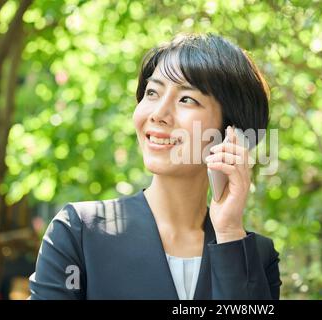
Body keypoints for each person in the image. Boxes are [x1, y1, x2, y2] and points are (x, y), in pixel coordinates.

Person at [29, 33, 281, 300]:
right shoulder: (78, 233)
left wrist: (229, 232)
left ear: (232, 134)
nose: (158, 114)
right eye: (152, 92)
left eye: (187, 99)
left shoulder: (256, 258)